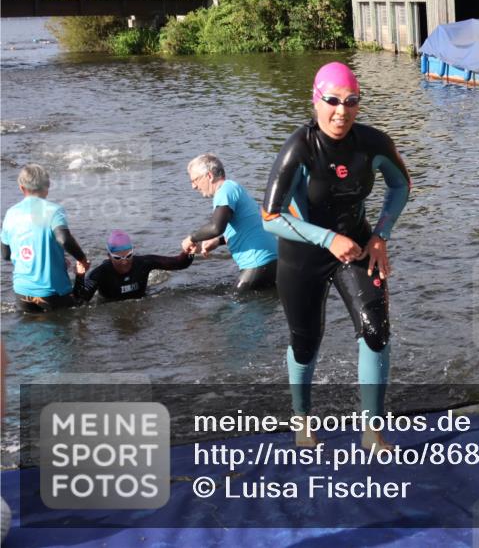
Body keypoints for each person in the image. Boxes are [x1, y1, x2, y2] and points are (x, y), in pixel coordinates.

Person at [262, 62, 410, 449]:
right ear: (316, 101)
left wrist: (381, 235)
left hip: (359, 246)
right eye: (331, 101)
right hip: (302, 255)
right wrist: (326, 238)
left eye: (351, 101)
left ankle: (372, 432)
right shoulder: (300, 147)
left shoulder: (372, 143)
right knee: (306, 342)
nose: (341, 111)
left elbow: (401, 185)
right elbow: (270, 217)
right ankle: (302, 420)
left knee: (376, 330)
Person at [182, 154, 277, 292]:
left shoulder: (225, 191)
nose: (193, 186)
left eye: (195, 180)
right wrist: (217, 242)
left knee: (232, 308)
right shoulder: (233, 188)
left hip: (258, 263)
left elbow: (215, 227)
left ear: (209, 176)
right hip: (271, 262)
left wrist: (191, 238)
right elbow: (247, 227)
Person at [0, 164, 89, 312]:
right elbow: (64, 240)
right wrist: (82, 259)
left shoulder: (10, 213)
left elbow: (6, 255)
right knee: (68, 325)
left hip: (22, 292)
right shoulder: (54, 211)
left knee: (28, 332)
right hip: (52, 292)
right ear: (47, 186)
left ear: (22, 188)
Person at [75, 230, 193, 302]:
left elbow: (180, 263)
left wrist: (189, 252)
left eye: (129, 255)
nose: (124, 261)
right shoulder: (101, 273)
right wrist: (80, 276)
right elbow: (81, 300)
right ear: (109, 256)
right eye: (117, 258)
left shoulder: (143, 263)